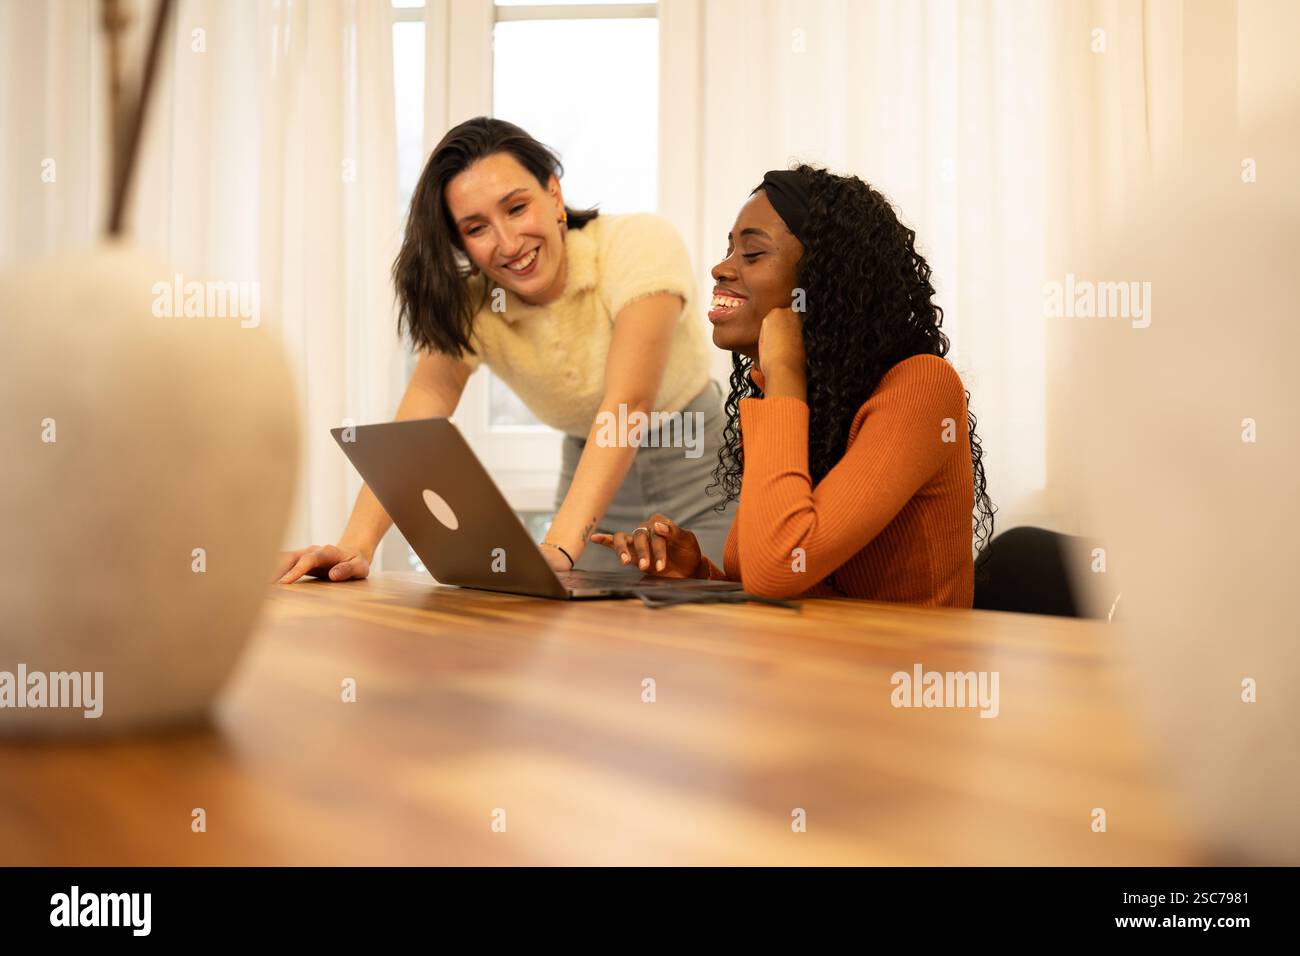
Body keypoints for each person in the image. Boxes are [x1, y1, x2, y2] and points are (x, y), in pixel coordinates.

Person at [276, 117, 731, 583]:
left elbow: (628, 404)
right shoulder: (475, 303)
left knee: (720, 629)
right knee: (582, 639)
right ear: (460, 243)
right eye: (477, 228)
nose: (509, 244)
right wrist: (355, 544)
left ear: (553, 194)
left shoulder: (638, 244)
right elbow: (416, 423)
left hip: (706, 474)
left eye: (516, 208)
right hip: (595, 490)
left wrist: (557, 545)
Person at [591, 166, 994, 606]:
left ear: (821, 280)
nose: (719, 268)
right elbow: (787, 581)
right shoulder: (804, 399)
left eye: (751, 253)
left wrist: (783, 369)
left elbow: (780, 569)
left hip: (895, 671)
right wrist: (694, 571)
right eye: (729, 249)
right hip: (808, 664)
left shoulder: (921, 388)